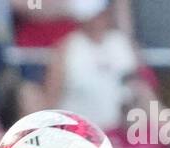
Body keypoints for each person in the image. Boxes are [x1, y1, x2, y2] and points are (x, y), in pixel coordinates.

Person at [44, 0, 136, 132]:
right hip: (77, 132)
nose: (97, 20)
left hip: (117, 131)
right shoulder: (66, 49)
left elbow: (135, 87)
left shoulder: (120, 43)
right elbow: (51, 99)